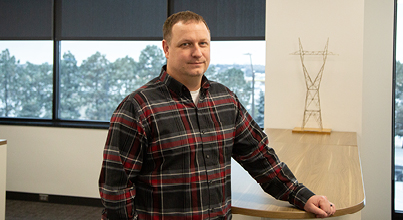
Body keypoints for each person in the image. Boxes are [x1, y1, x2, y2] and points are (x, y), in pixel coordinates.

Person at [99, 11, 336, 220]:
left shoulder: (225, 100)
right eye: (185, 44)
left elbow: (260, 158)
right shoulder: (138, 107)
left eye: (203, 43)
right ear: (166, 48)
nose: (197, 52)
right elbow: (116, 187)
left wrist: (301, 195)